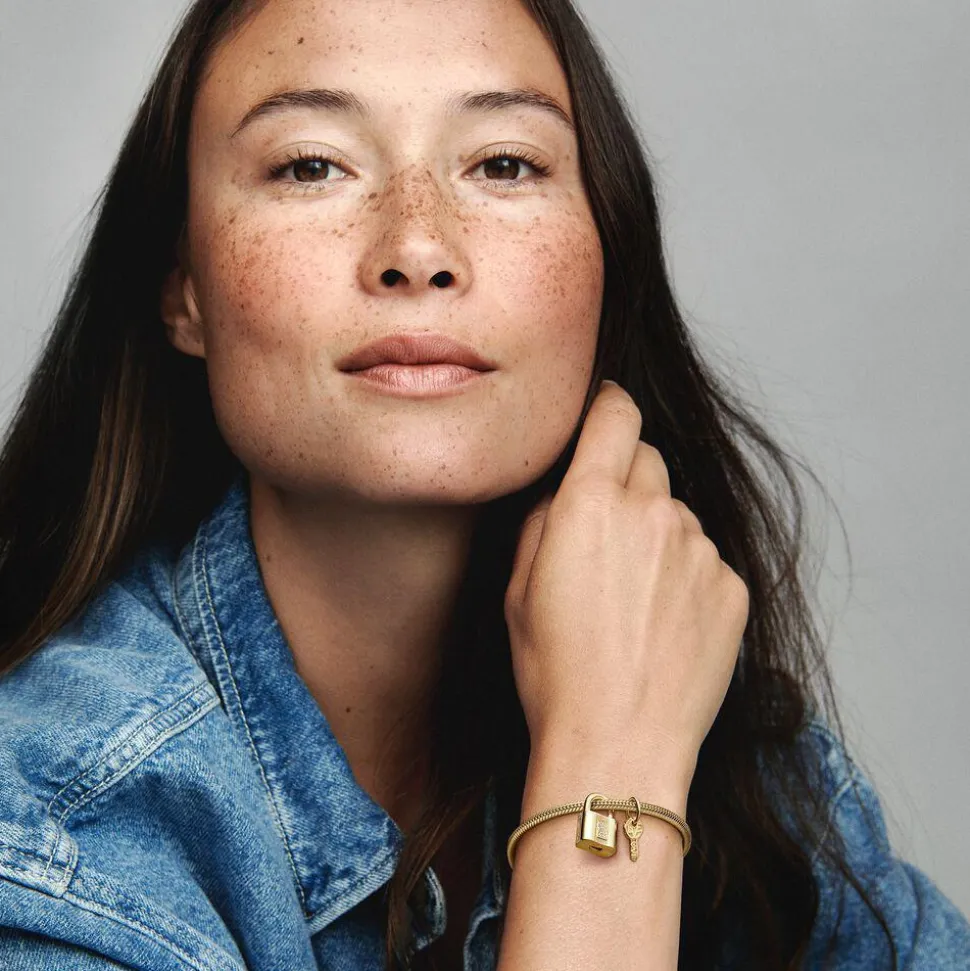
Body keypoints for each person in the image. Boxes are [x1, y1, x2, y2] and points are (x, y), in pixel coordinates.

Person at [0, 0, 967, 968]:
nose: (418, 249)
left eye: (504, 164)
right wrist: (608, 781)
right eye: (311, 165)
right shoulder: (50, 834)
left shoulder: (687, 702)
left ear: (606, 251)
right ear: (184, 289)